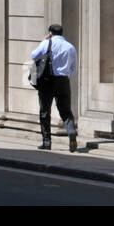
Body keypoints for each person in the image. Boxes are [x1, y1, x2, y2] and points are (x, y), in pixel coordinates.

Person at [31, 23, 78, 152]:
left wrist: (43, 42)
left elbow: (33, 55)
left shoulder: (47, 43)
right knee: (66, 111)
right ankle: (71, 132)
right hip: (63, 81)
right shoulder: (70, 47)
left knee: (45, 111)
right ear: (62, 33)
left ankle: (47, 142)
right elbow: (73, 68)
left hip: (47, 81)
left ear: (50, 33)